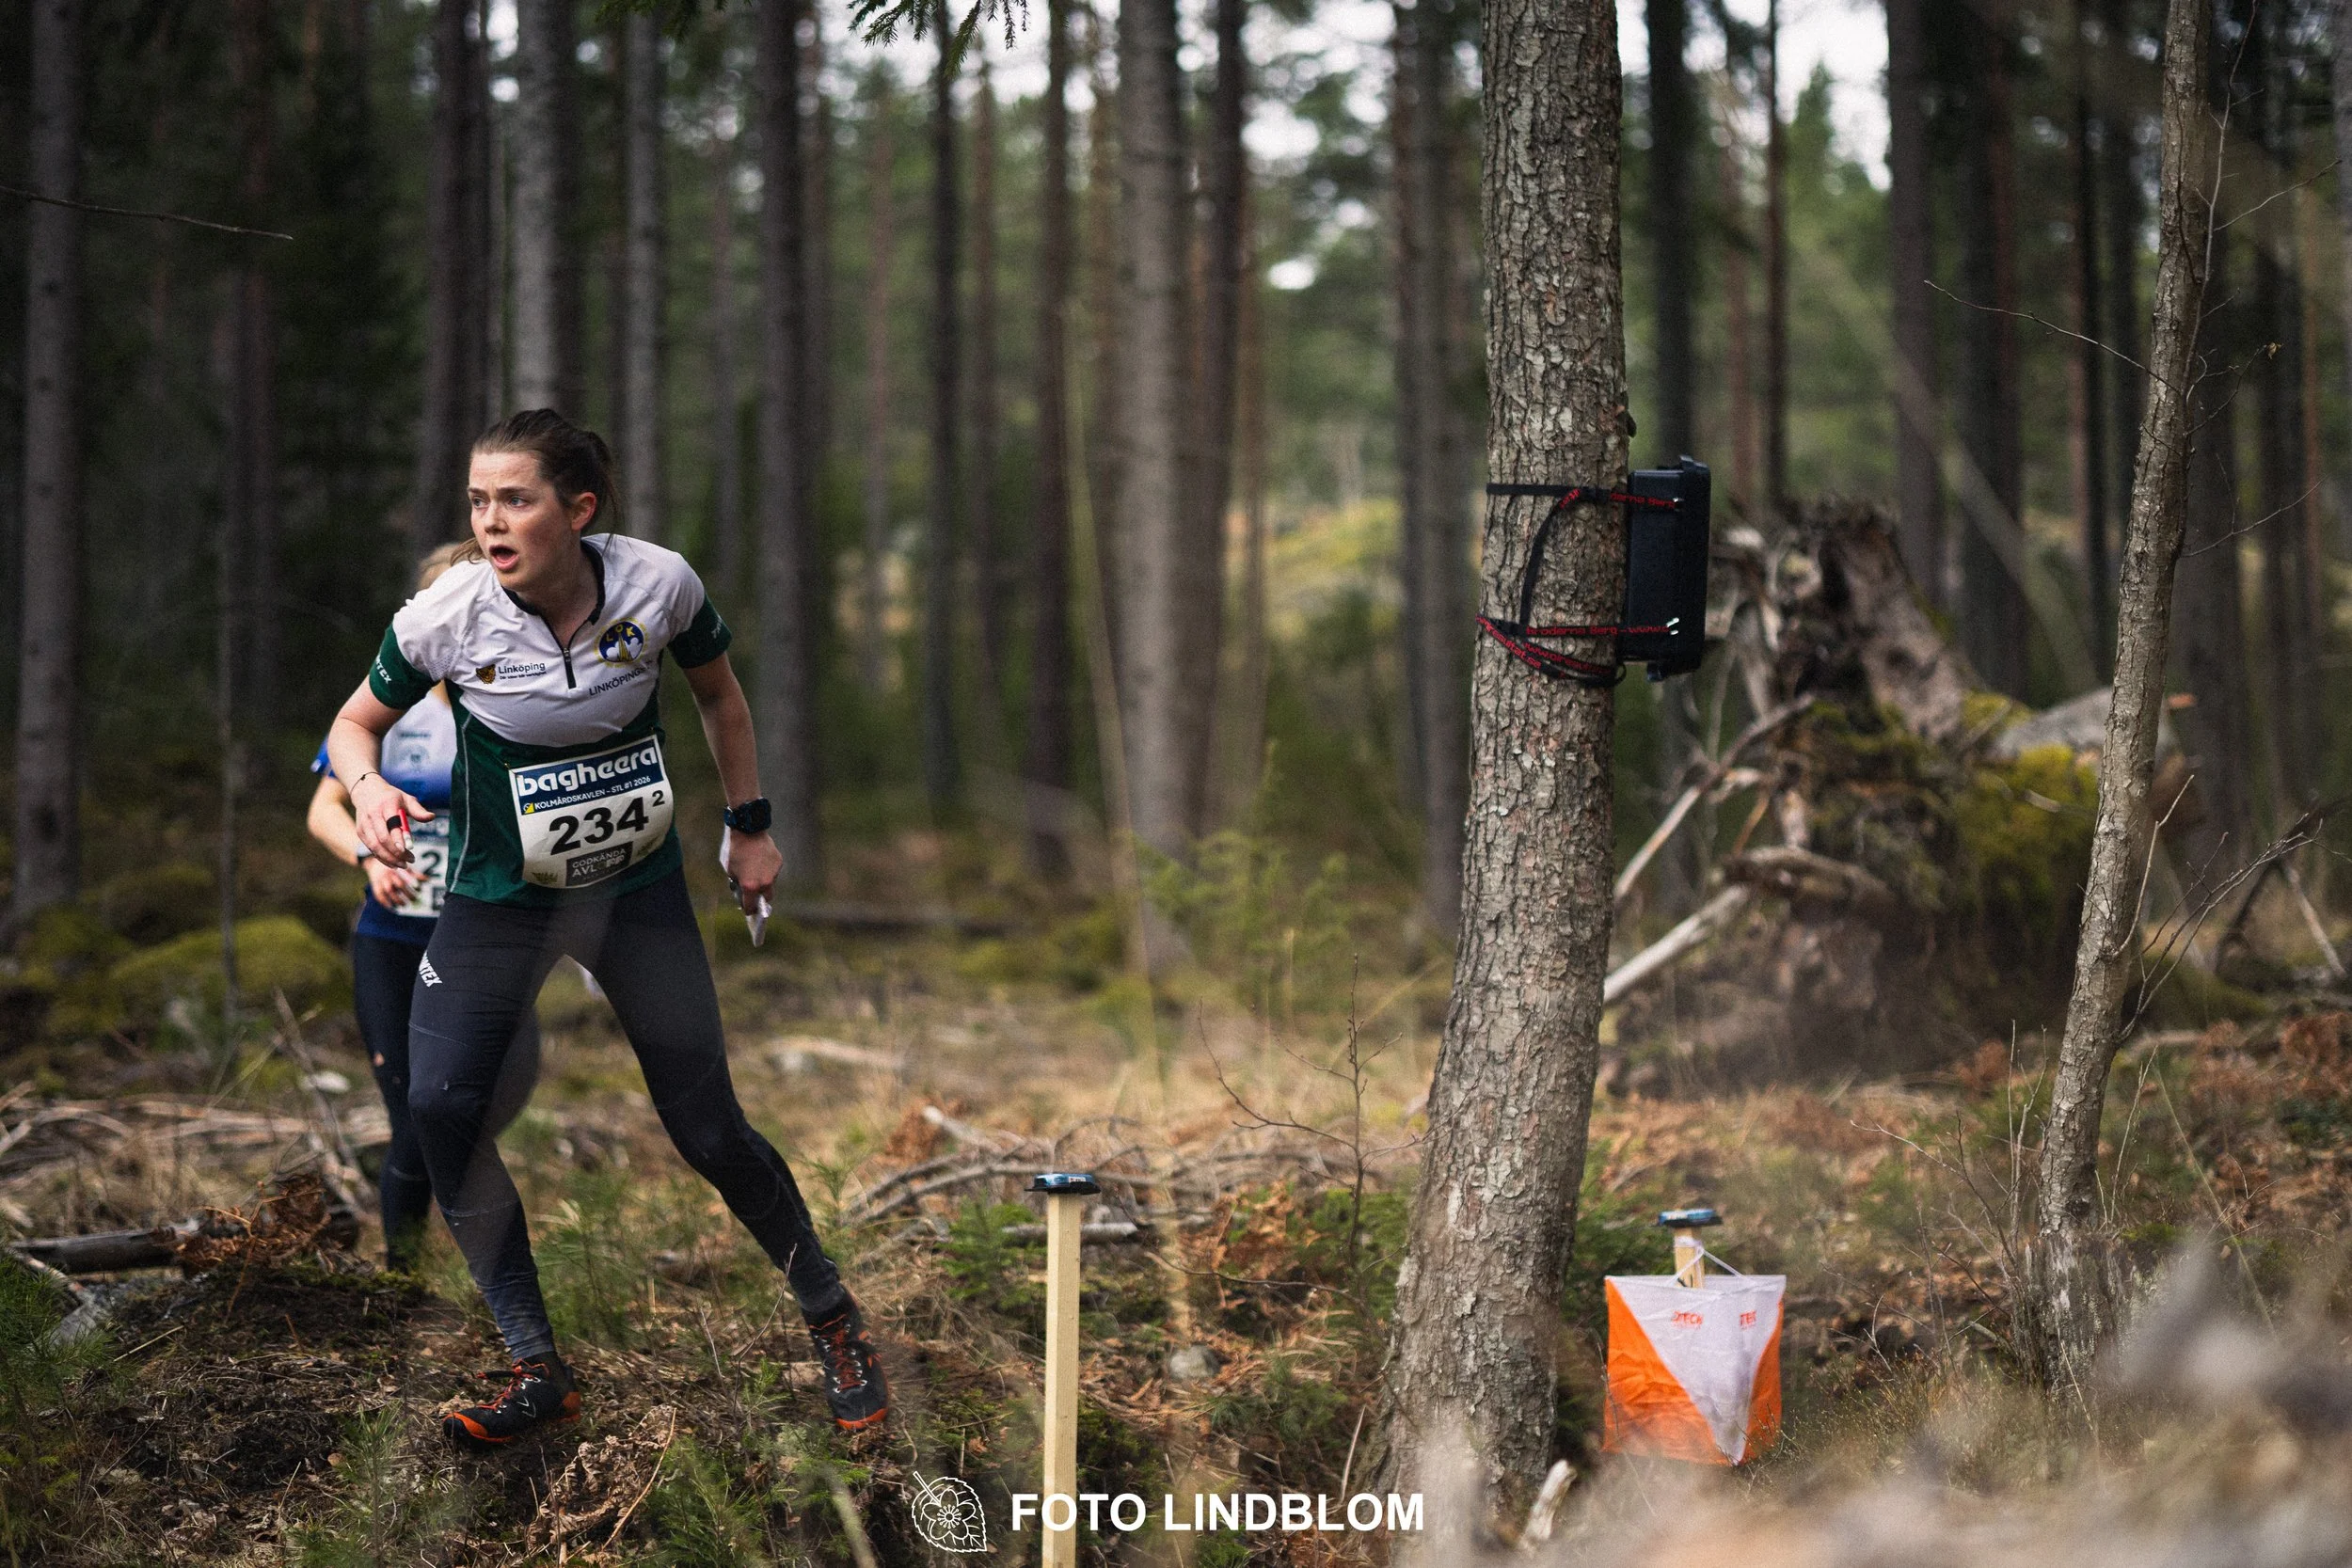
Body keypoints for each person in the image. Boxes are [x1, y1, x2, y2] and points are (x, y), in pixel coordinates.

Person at [326, 409, 885, 1449]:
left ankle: (833, 1318)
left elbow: (720, 697)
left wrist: (750, 826)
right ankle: (536, 1363)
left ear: (578, 509)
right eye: (478, 501)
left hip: (637, 895)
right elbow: (354, 724)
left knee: (708, 1128)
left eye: (516, 499)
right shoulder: (446, 617)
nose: (491, 522)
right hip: (502, 898)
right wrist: (367, 791)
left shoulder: (657, 584)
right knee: (439, 1105)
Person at [306, 545, 542, 1273]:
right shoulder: (390, 707)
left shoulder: (521, 701)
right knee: (413, 1113)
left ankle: (463, 1248)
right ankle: (403, 1278)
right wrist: (368, 855)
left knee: (496, 1091)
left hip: (487, 941)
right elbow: (323, 808)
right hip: (394, 941)